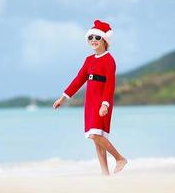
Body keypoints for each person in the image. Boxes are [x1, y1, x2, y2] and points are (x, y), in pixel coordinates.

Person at [53, 20, 127, 175]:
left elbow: (110, 85)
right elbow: (78, 80)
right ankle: (105, 175)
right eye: (90, 37)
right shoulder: (88, 60)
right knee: (96, 140)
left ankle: (120, 158)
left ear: (105, 40)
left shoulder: (109, 60)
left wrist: (105, 104)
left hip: (102, 103)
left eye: (97, 37)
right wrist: (63, 98)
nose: (93, 40)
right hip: (90, 103)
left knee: (95, 134)